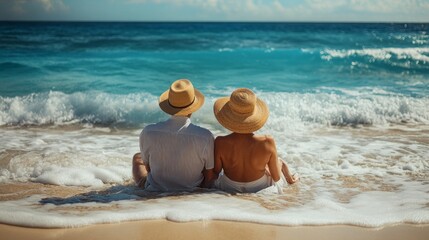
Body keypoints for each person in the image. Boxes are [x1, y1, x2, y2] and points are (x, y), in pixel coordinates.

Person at [132, 79, 214, 192]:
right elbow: (209, 177)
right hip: (191, 190)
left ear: (169, 107)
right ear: (192, 108)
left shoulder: (148, 132)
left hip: (156, 190)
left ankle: (139, 190)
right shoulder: (205, 136)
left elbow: (148, 168)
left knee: (137, 158)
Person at [212, 88, 298, 193]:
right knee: (280, 162)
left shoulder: (220, 142)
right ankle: (291, 179)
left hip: (229, 186)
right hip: (259, 187)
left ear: (229, 117)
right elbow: (276, 178)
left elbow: (216, 172)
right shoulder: (267, 141)